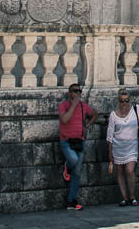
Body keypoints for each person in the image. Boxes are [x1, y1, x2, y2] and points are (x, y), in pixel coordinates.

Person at [57, 82, 97, 210]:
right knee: (73, 160)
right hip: (66, 141)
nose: (77, 93)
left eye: (79, 91)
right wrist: (73, 105)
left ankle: (71, 200)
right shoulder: (64, 106)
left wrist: (87, 125)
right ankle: (67, 167)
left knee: (77, 173)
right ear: (69, 93)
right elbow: (64, 119)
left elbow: (94, 114)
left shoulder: (83, 106)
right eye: (75, 91)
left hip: (79, 141)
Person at [105, 89, 139, 207]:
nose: (124, 103)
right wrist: (110, 152)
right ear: (118, 101)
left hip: (131, 145)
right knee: (119, 171)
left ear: (130, 100)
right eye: (122, 101)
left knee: (129, 170)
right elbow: (110, 134)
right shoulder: (113, 115)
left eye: (126, 101)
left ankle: (132, 196)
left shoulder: (136, 109)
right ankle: (124, 197)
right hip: (117, 146)